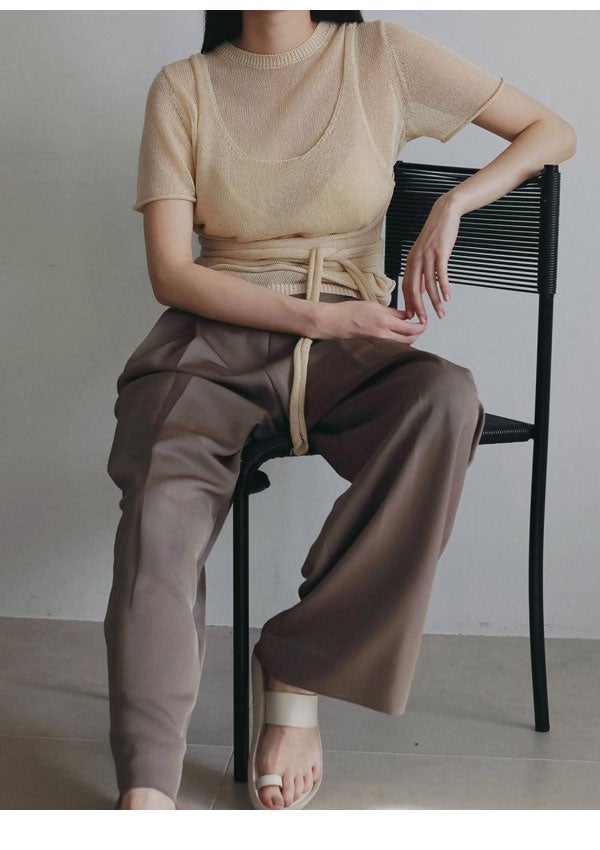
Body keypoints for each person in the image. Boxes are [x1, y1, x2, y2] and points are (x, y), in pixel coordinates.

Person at [104, 10, 576, 810]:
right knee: (161, 499)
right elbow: (172, 273)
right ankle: (147, 788)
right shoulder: (184, 87)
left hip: (353, 346)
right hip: (211, 341)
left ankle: (298, 674)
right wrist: (316, 318)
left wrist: (453, 203)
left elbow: (552, 130)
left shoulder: (381, 54)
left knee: (444, 400)